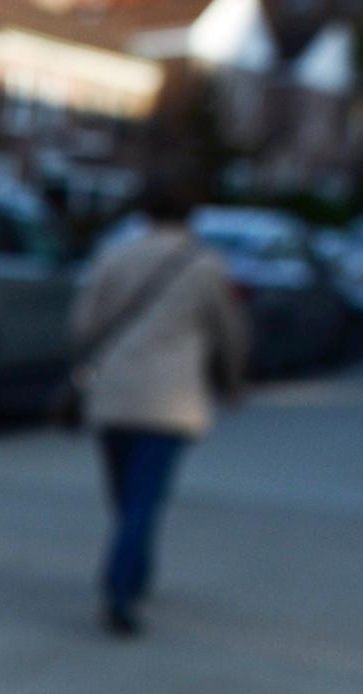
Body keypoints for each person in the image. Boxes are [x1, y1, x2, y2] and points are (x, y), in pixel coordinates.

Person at [69, 175, 249, 636]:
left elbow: (83, 324)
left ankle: (132, 576)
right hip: (170, 400)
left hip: (114, 395)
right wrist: (231, 379)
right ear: (192, 213)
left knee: (126, 495)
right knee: (143, 497)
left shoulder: (116, 255)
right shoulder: (205, 265)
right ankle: (121, 588)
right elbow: (229, 331)